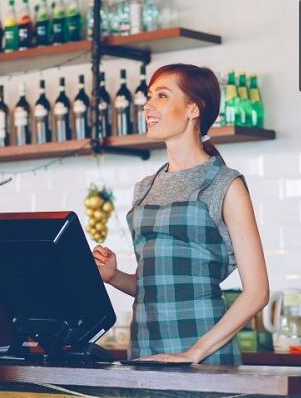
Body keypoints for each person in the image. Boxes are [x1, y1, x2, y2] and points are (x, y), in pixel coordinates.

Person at [92, 63, 269, 365]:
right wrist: (114, 277)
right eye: (148, 97)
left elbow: (258, 292)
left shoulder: (225, 185)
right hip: (146, 350)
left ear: (193, 108)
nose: (148, 106)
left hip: (203, 355)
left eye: (161, 95)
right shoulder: (145, 188)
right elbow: (157, 286)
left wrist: (194, 353)